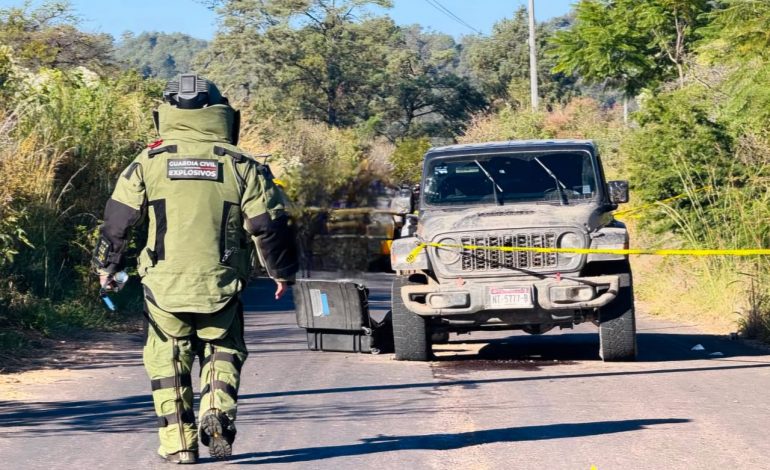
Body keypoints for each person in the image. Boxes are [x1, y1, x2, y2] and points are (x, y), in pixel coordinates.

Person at [92, 74, 298, 464]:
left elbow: (116, 222)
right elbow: (269, 226)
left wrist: (107, 268)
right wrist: (281, 273)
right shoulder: (242, 165)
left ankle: (179, 446)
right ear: (220, 112)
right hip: (221, 282)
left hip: (163, 286)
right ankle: (216, 410)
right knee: (223, 349)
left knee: (167, 360)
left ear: (167, 112)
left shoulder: (148, 161)